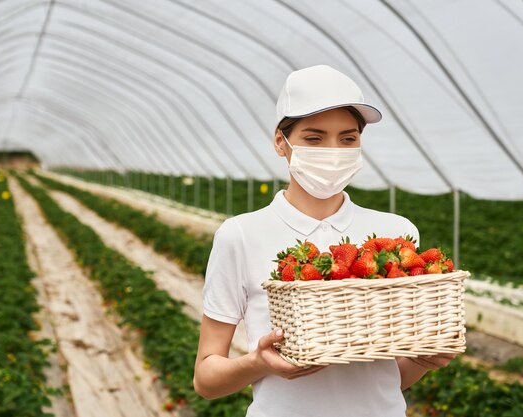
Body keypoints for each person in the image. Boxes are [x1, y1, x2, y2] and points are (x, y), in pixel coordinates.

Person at [193, 65, 455, 417]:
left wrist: (424, 361)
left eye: (348, 139)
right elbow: (207, 379)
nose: (334, 150)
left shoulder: (395, 234)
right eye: (314, 139)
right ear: (280, 143)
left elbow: (385, 378)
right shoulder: (241, 235)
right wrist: (260, 363)